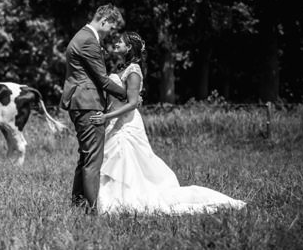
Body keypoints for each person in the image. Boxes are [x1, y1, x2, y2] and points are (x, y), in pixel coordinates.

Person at [89, 32, 246, 214]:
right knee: (113, 160)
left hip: (125, 123)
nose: (115, 43)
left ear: (129, 47)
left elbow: (132, 104)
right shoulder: (118, 68)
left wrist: (106, 117)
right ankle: (106, 199)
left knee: (126, 159)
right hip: (113, 120)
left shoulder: (133, 70)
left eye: (120, 41)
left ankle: (123, 200)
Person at [61, 5, 128, 213]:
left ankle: (78, 205)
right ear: (104, 20)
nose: (111, 32)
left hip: (82, 102)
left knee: (86, 156)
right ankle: (91, 212)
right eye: (111, 27)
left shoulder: (84, 37)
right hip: (87, 103)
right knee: (93, 159)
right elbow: (103, 80)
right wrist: (129, 96)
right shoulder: (88, 40)